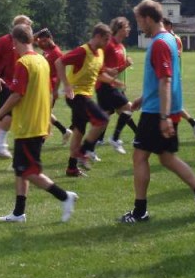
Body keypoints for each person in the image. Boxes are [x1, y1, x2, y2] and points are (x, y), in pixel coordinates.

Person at [119, 0, 195, 223]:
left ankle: (140, 212)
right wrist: (143, 98)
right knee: (167, 158)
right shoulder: (169, 39)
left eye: (139, 20)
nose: (138, 25)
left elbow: (166, 80)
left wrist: (163, 117)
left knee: (139, 157)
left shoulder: (160, 43)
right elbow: (161, 80)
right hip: (161, 108)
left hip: (157, 113)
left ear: (148, 18)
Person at [0, 24, 78, 223]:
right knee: (20, 170)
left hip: (28, 126)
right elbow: (41, 92)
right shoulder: (41, 60)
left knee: (29, 172)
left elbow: (16, 96)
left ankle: (65, 196)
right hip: (36, 123)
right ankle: (19, 213)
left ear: (14, 41)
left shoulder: (23, 63)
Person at [55, 24, 114, 176]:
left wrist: (114, 80)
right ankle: (83, 152)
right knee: (102, 119)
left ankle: (72, 168)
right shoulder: (82, 51)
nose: (107, 43)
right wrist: (66, 85)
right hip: (76, 95)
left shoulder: (100, 53)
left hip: (85, 95)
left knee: (79, 132)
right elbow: (59, 62)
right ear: (97, 36)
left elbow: (99, 74)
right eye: (106, 39)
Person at [0, 15, 33, 159]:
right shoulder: (5, 40)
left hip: (16, 82)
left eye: (29, 26)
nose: (29, 28)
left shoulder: (26, 42)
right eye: (26, 25)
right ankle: (1, 146)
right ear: (17, 26)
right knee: (9, 114)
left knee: (5, 115)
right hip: (4, 82)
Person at [96, 17, 137, 154]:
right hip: (106, 85)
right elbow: (99, 64)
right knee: (127, 108)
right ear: (119, 29)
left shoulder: (121, 46)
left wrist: (121, 74)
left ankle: (90, 146)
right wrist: (122, 66)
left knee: (107, 116)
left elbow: (117, 69)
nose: (129, 29)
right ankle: (114, 138)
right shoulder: (109, 44)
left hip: (115, 85)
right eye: (126, 27)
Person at [163, 17, 195, 138]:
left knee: (171, 104)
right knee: (172, 104)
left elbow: (177, 53)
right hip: (170, 75)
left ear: (169, 26)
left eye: (163, 25)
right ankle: (193, 123)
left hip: (173, 76)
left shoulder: (174, 39)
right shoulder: (167, 38)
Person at [33, 28, 72, 145]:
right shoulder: (46, 48)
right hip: (43, 85)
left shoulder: (57, 53)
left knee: (43, 113)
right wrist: (39, 33)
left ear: (50, 38)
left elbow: (60, 73)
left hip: (50, 87)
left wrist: (55, 90)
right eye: (41, 41)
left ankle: (41, 140)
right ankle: (64, 131)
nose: (42, 43)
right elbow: (30, 40)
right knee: (45, 112)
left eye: (45, 40)